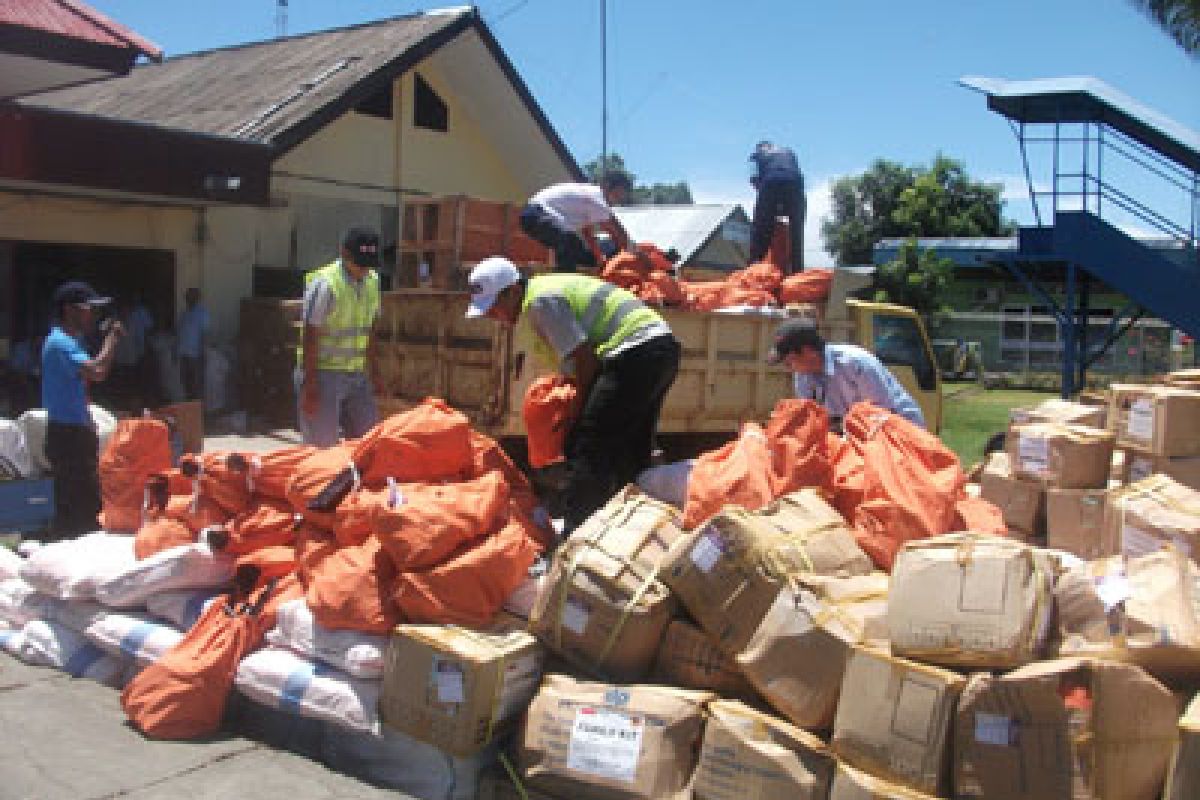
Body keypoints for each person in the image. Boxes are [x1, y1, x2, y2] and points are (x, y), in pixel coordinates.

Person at [466, 256, 681, 533]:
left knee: (588, 444)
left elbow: (586, 362)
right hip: (658, 351)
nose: (493, 316)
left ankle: (576, 535)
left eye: (494, 307)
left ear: (514, 292)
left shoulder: (540, 302)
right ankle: (635, 531)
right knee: (631, 448)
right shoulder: (543, 293)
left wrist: (574, 418)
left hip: (634, 353)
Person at [41, 281, 124, 539]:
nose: (93, 316)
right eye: (89, 309)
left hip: (73, 431)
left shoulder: (69, 342)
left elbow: (82, 384)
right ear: (70, 310)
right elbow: (97, 371)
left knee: (78, 503)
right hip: (68, 436)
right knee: (82, 507)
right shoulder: (61, 344)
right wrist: (112, 339)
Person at [295, 226, 383, 447]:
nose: (363, 269)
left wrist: (375, 371)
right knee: (322, 447)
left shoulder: (373, 282)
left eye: (368, 264)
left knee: (369, 443)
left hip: (356, 374)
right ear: (344, 253)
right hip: (324, 375)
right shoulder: (326, 283)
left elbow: (372, 329)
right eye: (359, 263)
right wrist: (310, 383)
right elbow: (310, 333)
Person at [767, 319, 925, 429]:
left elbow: (880, 415)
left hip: (898, 427)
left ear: (808, 352)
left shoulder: (856, 363)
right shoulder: (802, 376)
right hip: (857, 431)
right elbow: (814, 419)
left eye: (789, 361)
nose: (788, 368)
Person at [519, 173, 639, 273]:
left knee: (579, 251)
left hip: (533, 215)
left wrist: (598, 258)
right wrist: (634, 253)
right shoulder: (598, 200)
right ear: (607, 187)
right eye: (618, 194)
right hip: (538, 214)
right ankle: (562, 280)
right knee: (569, 244)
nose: (618, 200)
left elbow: (587, 233)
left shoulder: (588, 195)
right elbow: (616, 231)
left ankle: (556, 272)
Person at [749, 140, 806, 275]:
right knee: (796, 234)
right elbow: (796, 175)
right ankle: (797, 274)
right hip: (796, 187)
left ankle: (754, 270)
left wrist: (766, 212)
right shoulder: (788, 151)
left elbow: (755, 180)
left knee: (760, 231)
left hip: (770, 184)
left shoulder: (759, 154)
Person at [177, 287, 208, 402]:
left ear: (197, 298)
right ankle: (188, 410)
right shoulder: (184, 314)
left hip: (195, 356)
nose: (187, 298)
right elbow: (179, 334)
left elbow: (204, 335)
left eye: (190, 296)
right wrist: (176, 351)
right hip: (183, 354)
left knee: (196, 386)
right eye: (187, 296)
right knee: (185, 384)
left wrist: (202, 353)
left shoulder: (202, 313)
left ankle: (197, 413)